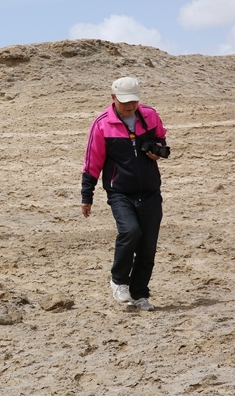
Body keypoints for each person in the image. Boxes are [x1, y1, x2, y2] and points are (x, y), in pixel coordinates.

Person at [81, 76, 169, 312]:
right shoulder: (101, 124)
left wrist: (156, 149)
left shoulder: (149, 115)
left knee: (148, 245)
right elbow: (92, 161)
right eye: (125, 102)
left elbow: (161, 136)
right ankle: (119, 281)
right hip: (120, 192)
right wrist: (86, 196)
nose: (130, 107)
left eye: (134, 102)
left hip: (150, 191)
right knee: (130, 231)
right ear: (113, 98)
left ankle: (140, 294)